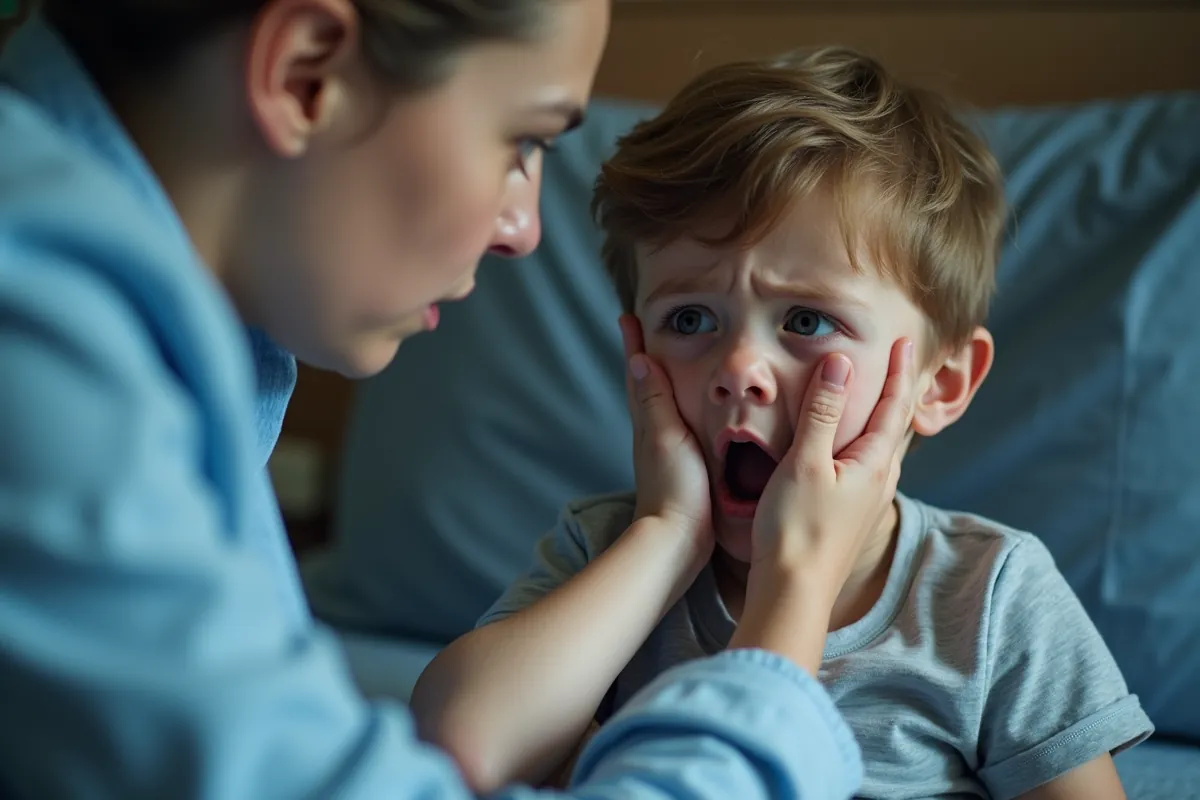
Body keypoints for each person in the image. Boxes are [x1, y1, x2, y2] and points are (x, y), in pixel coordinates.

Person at [0, 2, 920, 798]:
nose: (524, 231)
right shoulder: (39, 338)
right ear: (306, 73)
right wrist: (782, 629)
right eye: (522, 141)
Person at [411, 47, 1155, 799]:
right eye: (690, 317)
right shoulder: (605, 554)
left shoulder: (992, 596)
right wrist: (668, 534)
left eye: (806, 318)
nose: (739, 367)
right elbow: (454, 749)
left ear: (942, 381)